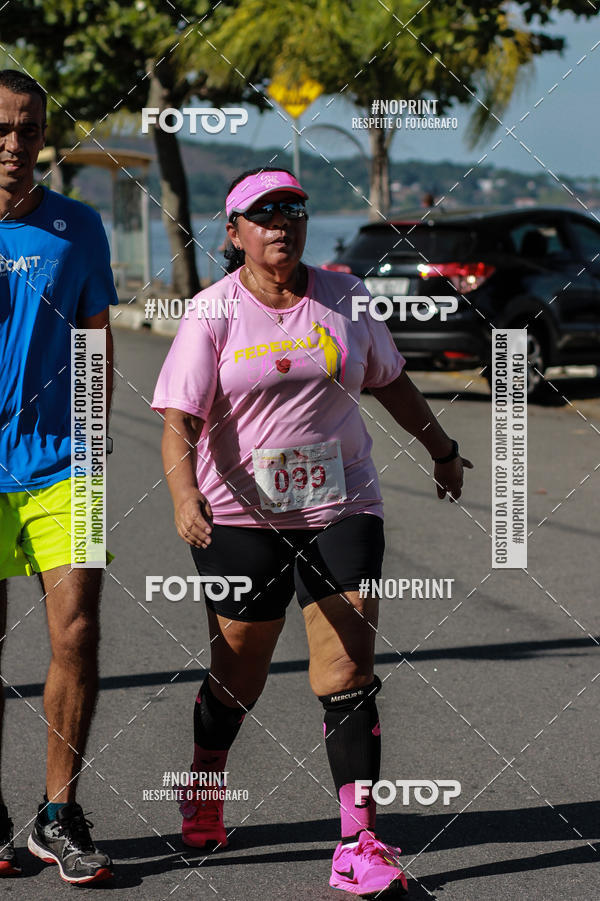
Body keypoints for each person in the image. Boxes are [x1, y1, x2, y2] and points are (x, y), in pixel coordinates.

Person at [152, 167, 472, 896]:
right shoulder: (211, 312)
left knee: (347, 669)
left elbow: (390, 380)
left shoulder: (345, 296)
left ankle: (359, 841)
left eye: (293, 212)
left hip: (341, 503)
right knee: (239, 673)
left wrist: (442, 448)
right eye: (264, 215)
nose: (282, 225)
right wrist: (184, 494)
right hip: (240, 515)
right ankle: (205, 780)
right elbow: (179, 420)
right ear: (234, 233)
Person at [0, 70, 117, 883]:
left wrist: (94, 446)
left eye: (29, 128)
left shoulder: (78, 228)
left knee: (76, 629)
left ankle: (58, 814)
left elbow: (95, 338)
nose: (14, 143)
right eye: (1, 127)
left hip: (61, 462)